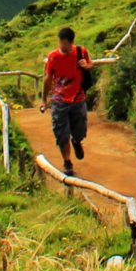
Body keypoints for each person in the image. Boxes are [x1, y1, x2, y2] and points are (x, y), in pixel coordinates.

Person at [41, 26, 94, 177]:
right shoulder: (53, 57)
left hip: (78, 98)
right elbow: (48, 78)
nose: (62, 46)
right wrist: (44, 100)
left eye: (65, 43)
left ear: (71, 42)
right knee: (61, 133)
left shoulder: (81, 52)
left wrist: (86, 65)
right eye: (60, 43)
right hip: (59, 100)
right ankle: (67, 161)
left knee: (80, 131)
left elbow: (91, 65)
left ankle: (77, 142)